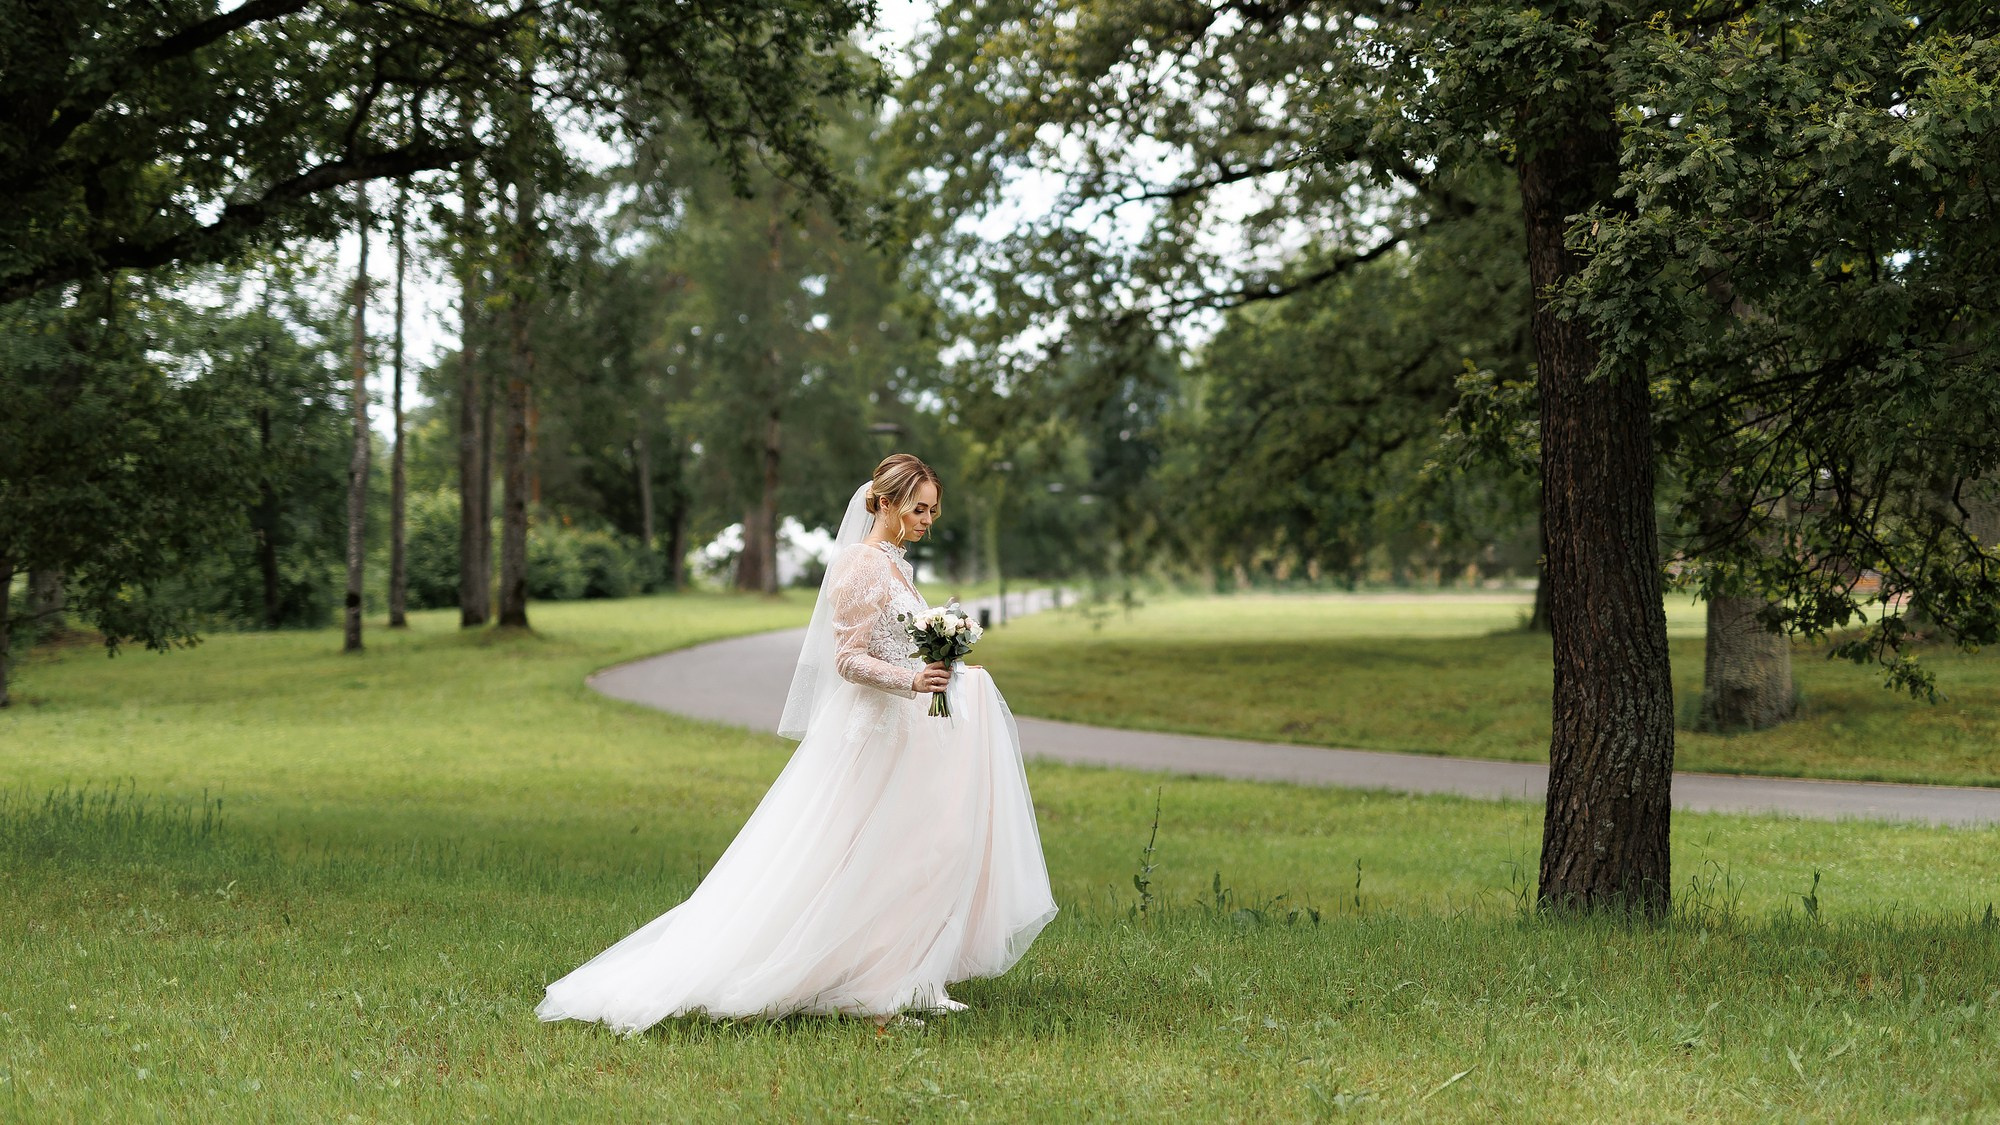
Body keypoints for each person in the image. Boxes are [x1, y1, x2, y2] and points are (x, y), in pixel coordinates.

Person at [536, 453, 1058, 1033]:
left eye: (933, 511)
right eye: (918, 508)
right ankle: (871, 986)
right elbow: (848, 658)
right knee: (865, 856)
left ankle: (913, 973)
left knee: (922, 851)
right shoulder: (859, 565)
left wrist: (941, 663)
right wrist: (911, 678)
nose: (927, 520)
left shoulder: (896, 565)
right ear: (884, 503)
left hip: (912, 730)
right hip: (877, 729)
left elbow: (899, 641)